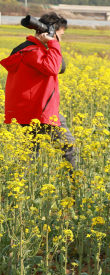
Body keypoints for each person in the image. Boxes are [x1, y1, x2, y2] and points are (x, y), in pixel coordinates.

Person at [1, 12, 76, 168]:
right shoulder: (33, 52)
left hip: (30, 110)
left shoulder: (28, 49)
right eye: (60, 35)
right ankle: (76, 184)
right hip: (39, 110)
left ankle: (17, 183)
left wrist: (49, 44)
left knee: (30, 153)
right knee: (69, 146)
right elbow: (54, 68)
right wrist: (54, 44)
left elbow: (61, 66)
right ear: (52, 33)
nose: (60, 39)